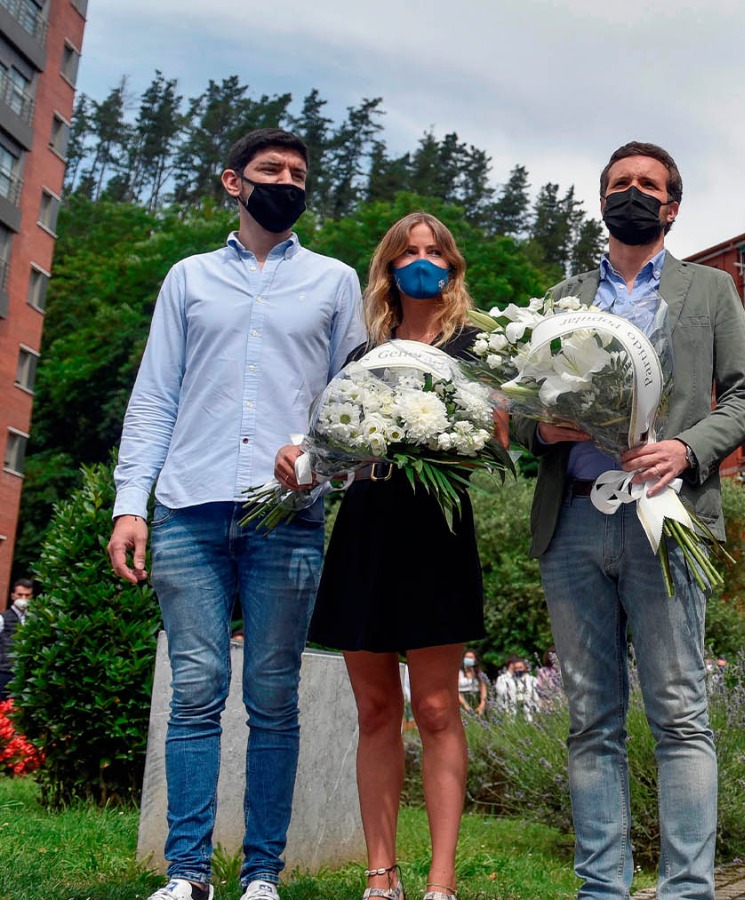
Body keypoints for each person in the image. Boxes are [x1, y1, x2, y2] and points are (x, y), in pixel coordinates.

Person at [107, 128, 363, 900]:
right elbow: (154, 397)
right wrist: (131, 505)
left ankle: (261, 875)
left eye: (297, 173)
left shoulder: (334, 281)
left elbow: (351, 405)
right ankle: (187, 874)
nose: (286, 181)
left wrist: (314, 463)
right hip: (187, 508)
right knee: (196, 690)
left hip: (286, 513)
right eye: (269, 171)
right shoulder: (188, 278)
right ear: (232, 182)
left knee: (274, 697)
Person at [522, 140, 745, 899]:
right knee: (591, 719)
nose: (632, 193)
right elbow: (524, 407)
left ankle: (687, 890)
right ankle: (603, 888)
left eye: (647, 185)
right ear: (602, 202)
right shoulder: (562, 298)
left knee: (680, 713)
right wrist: (542, 428)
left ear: (672, 206)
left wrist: (686, 450)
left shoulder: (712, 290)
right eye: (618, 183)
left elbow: (744, 400)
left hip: (668, 515)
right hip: (574, 523)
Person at [283, 212, 495, 900]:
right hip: (366, 527)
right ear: (389, 267)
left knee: (435, 707)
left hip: (437, 527)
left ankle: (441, 879)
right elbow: (328, 446)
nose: (423, 262)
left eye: (435, 251)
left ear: (453, 265)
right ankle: (381, 876)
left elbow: (498, 435)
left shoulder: (478, 347)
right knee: (375, 711)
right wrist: (301, 459)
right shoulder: (361, 357)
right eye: (410, 252)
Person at [0, 577, 32, 700]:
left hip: (23, 673)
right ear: (13, 596)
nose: (23, 598)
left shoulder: (33, 619)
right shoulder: (3, 618)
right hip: (4, 671)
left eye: (27, 595)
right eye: (20, 594)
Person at [495, 657, 537, 721]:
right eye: (515, 668)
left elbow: (536, 697)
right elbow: (503, 693)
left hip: (530, 713)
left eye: (520, 667)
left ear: (526, 668)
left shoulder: (532, 680)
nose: (518, 670)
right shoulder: (508, 680)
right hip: (512, 713)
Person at [456, 650, 488, 717]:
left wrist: (482, 704)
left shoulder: (479, 673)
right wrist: (465, 704)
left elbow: (483, 689)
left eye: (471, 657)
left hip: (477, 700)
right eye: (466, 657)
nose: (468, 659)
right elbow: (455, 690)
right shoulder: (458, 673)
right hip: (462, 700)